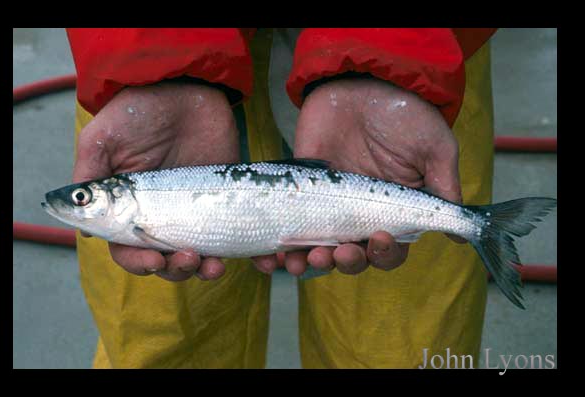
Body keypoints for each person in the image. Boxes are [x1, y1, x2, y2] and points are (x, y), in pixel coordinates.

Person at [66, 28, 497, 368]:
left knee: (400, 341)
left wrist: (388, 52)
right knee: (158, 338)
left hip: (422, 48)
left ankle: (472, 223)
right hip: (136, 54)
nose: (75, 204)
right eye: (83, 199)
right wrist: (157, 56)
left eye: (83, 198)